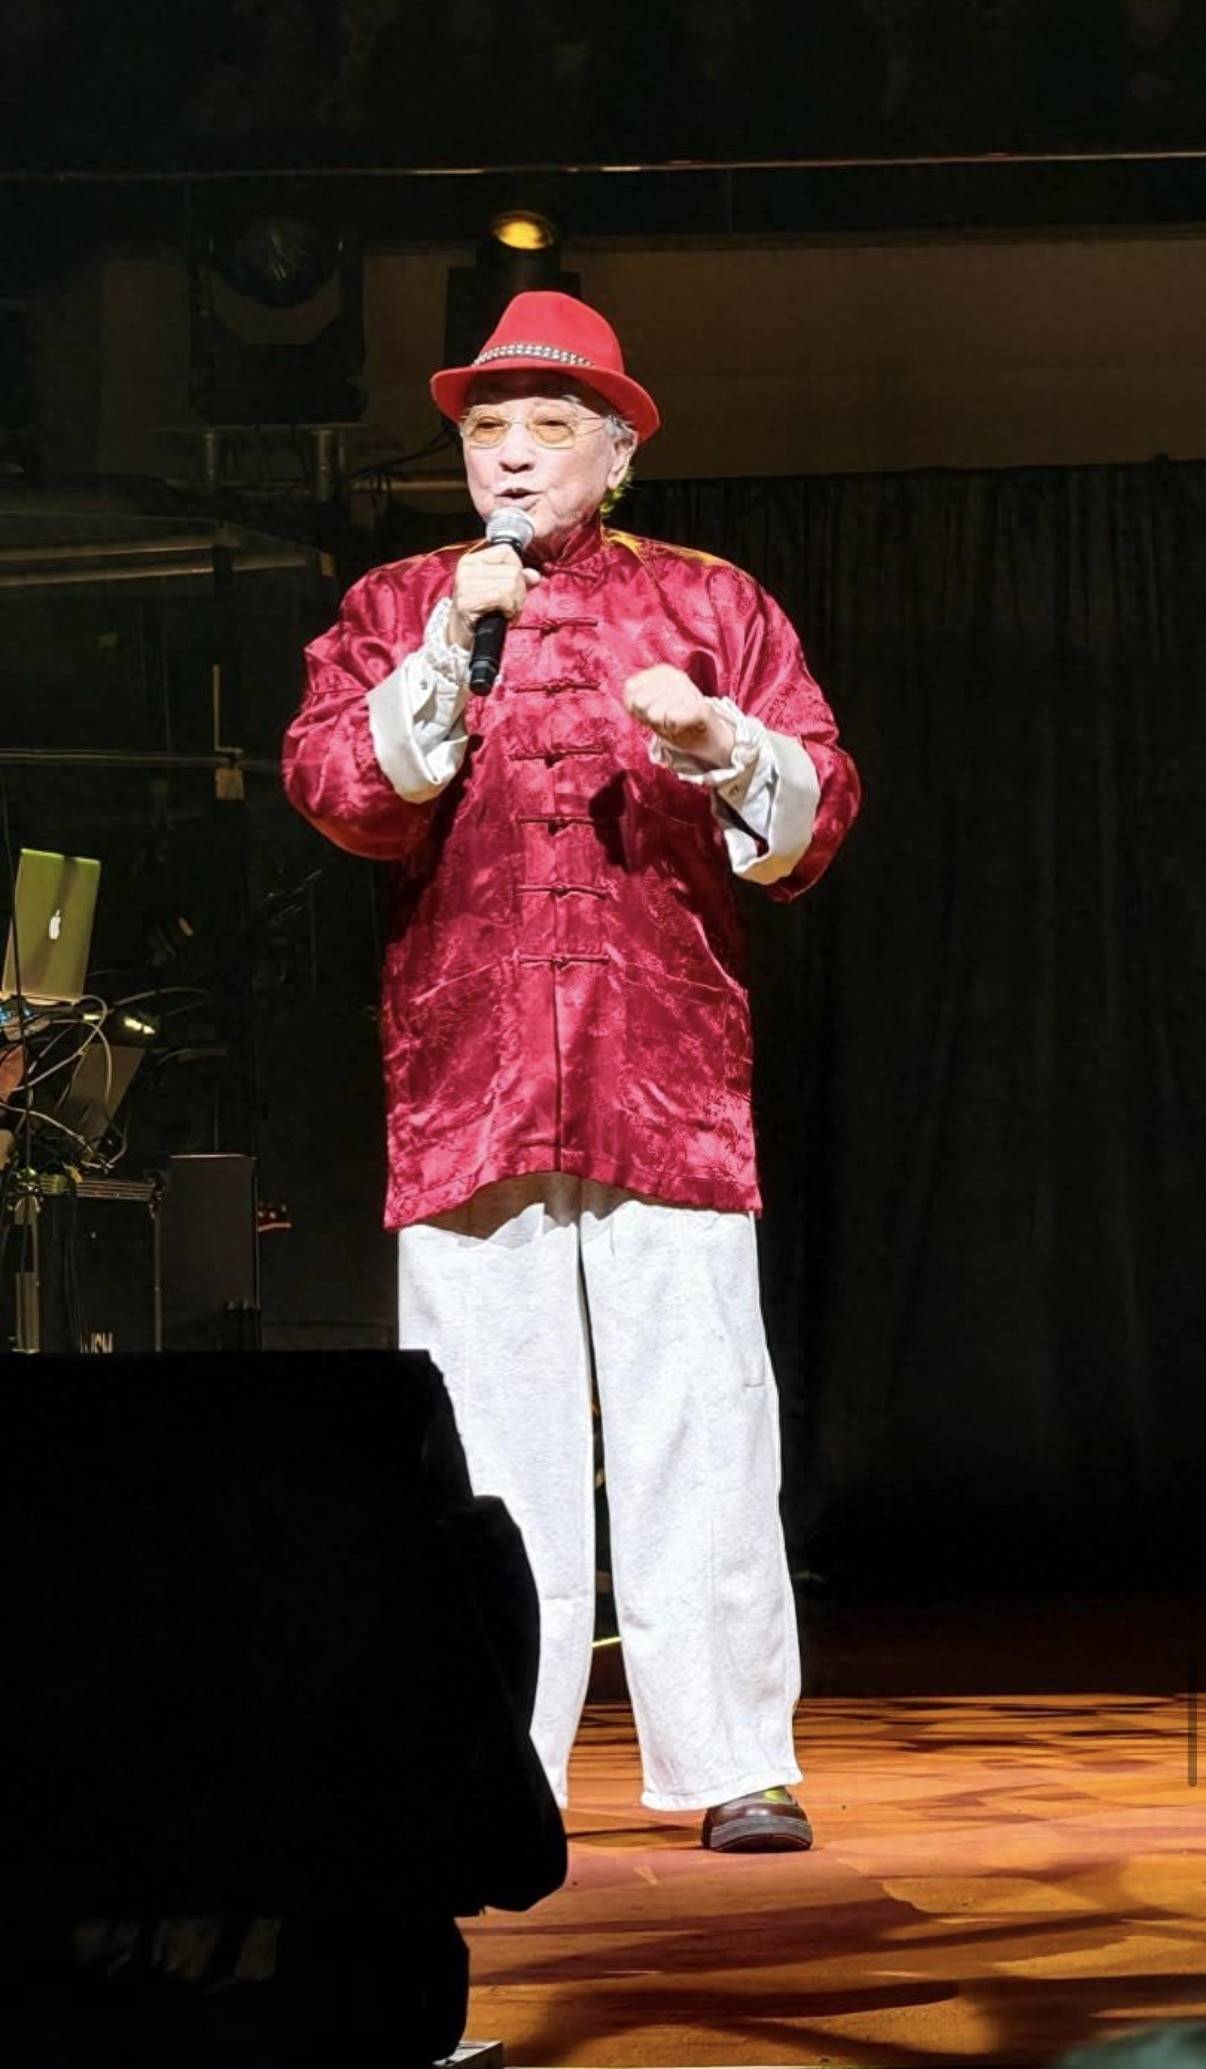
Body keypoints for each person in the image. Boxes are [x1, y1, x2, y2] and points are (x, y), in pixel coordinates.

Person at [282, 290, 860, 1851]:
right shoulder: (397, 602)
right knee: (483, 1440)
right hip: (468, 1075)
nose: (514, 456)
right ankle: (489, 1759)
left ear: (616, 453)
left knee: (699, 1418)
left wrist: (720, 744)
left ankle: (734, 1760)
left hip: (662, 1069)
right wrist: (446, 650)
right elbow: (339, 790)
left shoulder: (707, 601)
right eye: (488, 431)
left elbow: (816, 817)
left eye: (549, 427)